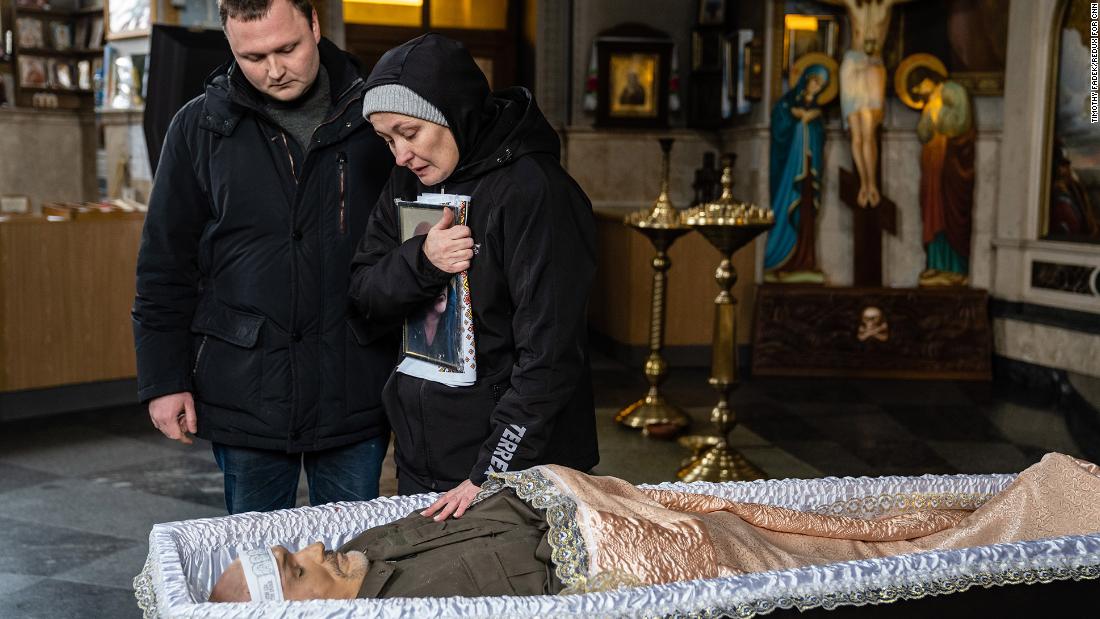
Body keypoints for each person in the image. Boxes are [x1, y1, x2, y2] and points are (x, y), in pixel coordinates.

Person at [131, 0, 395, 514]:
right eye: (252, 57)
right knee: (256, 565)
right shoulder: (196, 128)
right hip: (243, 385)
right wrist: (164, 381)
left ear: (315, 25)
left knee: (350, 561)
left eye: (288, 48)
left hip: (355, 379)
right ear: (230, 45)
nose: (273, 70)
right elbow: (165, 265)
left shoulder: (378, 118)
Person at [208, 452, 1100, 601]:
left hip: (644, 512)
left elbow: (481, 506)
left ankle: (1009, 509)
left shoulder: (371, 549)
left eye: (293, 543)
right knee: (849, 547)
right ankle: (1042, 513)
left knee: (848, 525)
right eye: (296, 564)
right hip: (673, 556)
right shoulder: (412, 602)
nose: (317, 542)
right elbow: (531, 570)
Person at [348, 34, 599, 517]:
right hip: (422, 455)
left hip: (515, 467)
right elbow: (363, 297)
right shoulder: (408, 180)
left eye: (410, 132)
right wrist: (422, 262)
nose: (400, 155)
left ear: (453, 111)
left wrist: (489, 472)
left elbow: (549, 355)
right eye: (386, 140)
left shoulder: (536, 192)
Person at [822, 0, 914, 208]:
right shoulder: (852, 4)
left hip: (874, 65)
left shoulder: (886, 5)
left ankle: (871, 184)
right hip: (853, 64)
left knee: (869, 132)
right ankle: (863, 184)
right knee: (856, 134)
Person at [764, 64, 829, 283]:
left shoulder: (818, 112)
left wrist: (812, 121)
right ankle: (780, 259)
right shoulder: (786, 104)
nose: (817, 87)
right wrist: (794, 117)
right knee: (787, 208)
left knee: (806, 213)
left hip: (809, 170)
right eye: (815, 81)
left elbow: (819, 136)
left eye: (821, 85)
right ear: (806, 80)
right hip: (790, 172)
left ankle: (805, 260)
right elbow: (779, 129)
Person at [913, 68, 975, 287]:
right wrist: (929, 113)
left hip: (949, 163)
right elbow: (923, 133)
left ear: (930, 79)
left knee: (948, 212)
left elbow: (959, 124)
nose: (919, 90)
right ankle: (936, 264)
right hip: (933, 164)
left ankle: (956, 269)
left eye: (921, 84)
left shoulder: (952, 90)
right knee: (932, 211)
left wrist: (937, 113)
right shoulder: (931, 102)